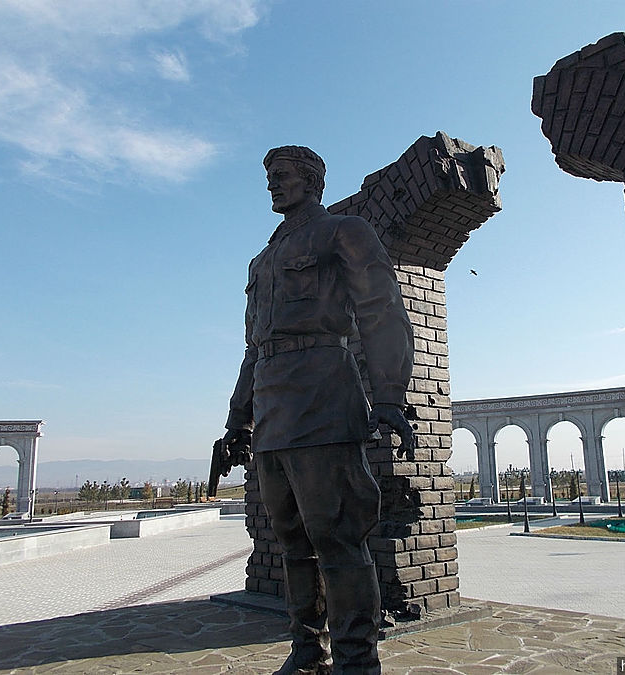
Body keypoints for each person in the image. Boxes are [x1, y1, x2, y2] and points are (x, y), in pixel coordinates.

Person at [222, 145, 415, 674]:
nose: (272, 185)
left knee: (336, 538)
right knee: (292, 543)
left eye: (281, 175)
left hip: (324, 395)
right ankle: (307, 651)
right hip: (272, 411)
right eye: (268, 177)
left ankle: (357, 661)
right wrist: (237, 420)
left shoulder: (342, 232)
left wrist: (391, 397)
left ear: (312, 181)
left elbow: (382, 311)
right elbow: (253, 346)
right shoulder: (262, 259)